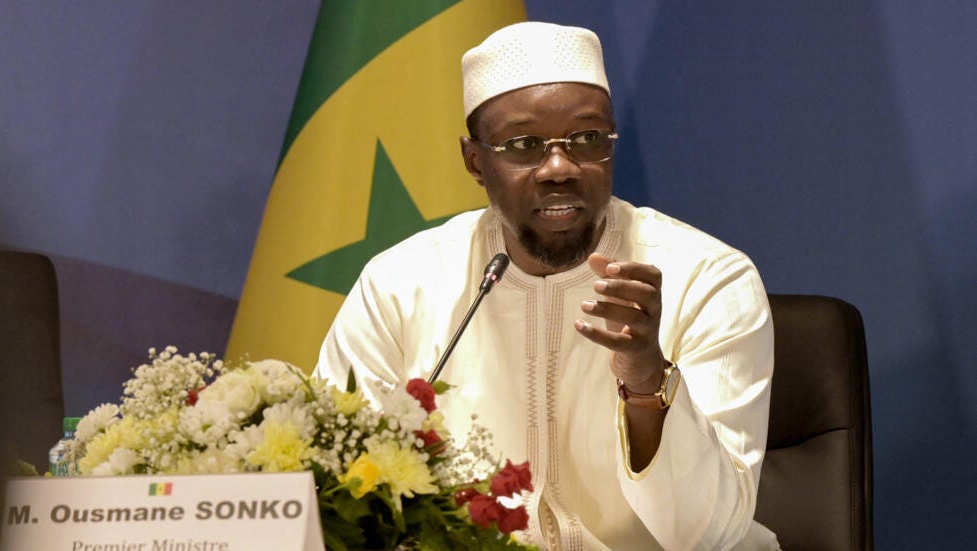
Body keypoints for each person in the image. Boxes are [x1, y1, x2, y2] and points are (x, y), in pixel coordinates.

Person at [315, 22, 779, 550]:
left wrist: (647, 379)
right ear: (474, 161)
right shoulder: (401, 286)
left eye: (587, 139)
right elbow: (334, 492)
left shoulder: (708, 280)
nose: (559, 167)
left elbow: (711, 534)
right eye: (523, 145)